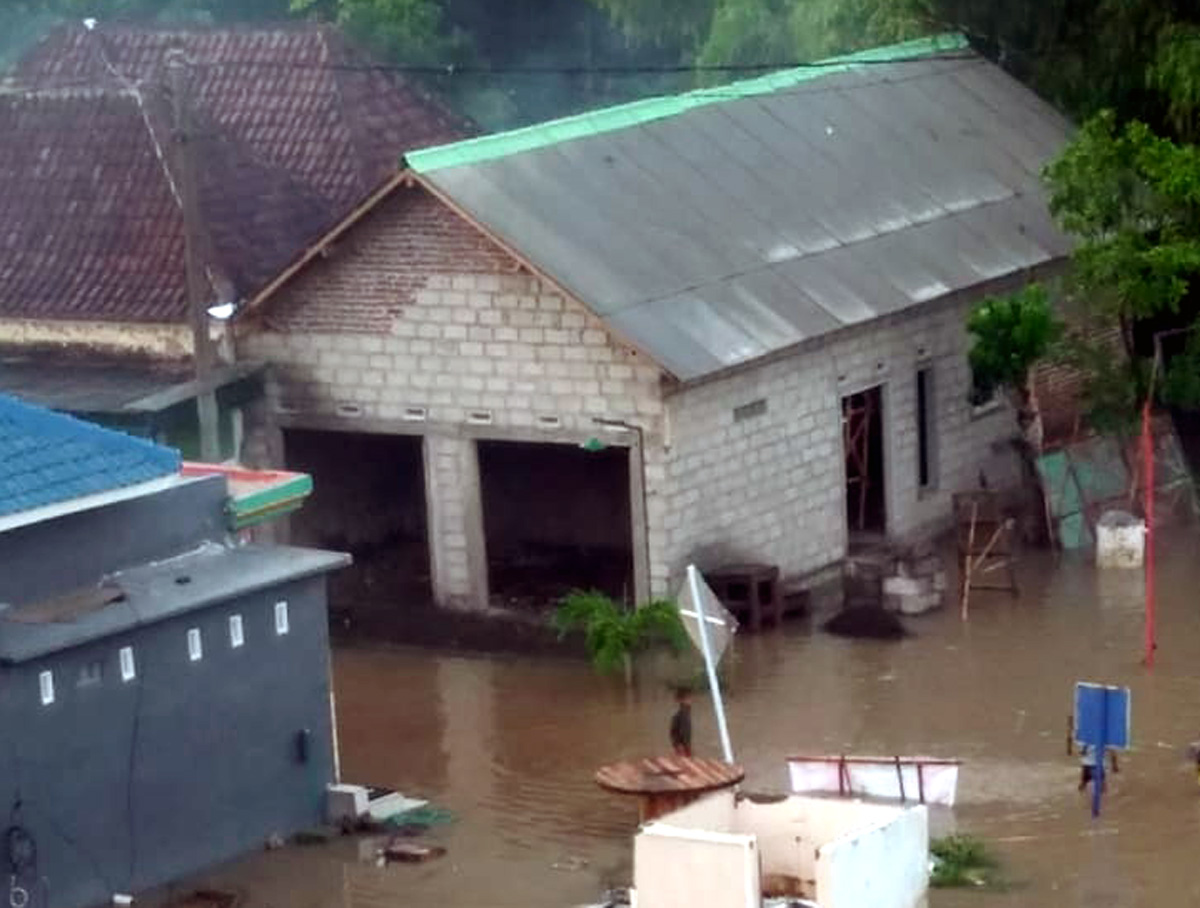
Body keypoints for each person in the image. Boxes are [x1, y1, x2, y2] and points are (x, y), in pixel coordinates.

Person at [669, 687, 693, 757]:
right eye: (688, 699)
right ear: (682, 700)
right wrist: (681, 746)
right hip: (683, 747)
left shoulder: (683, 713)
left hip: (682, 746)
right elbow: (682, 732)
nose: (691, 701)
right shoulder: (683, 714)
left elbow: (673, 732)